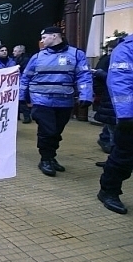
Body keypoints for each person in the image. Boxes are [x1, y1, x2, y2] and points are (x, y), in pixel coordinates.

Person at [20, 27, 93, 177]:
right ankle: (45, 159)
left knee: (56, 132)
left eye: (44, 37)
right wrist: (21, 97)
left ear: (54, 36)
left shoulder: (76, 54)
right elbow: (25, 77)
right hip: (41, 101)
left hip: (64, 102)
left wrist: (86, 95)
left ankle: (51, 157)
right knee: (48, 131)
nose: (42, 41)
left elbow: (84, 75)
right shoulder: (38, 57)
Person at [97, 34, 133, 214]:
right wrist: (126, 115)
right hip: (131, 119)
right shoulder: (126, 49)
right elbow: (120, 82)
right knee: (124, 157)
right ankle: (108, 190)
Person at [94, 40, 117, 153]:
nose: (110, 53)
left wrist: (100, 74)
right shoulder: (106, 59)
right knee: (111, 127)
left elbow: (116, 79)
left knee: (114, 129)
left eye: (112, 51)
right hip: (106, 96)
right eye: (109, 51)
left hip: (113, 98)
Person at [12, 45, 32, 123]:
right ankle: (18, 116)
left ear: (20, 52)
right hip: (19, 81)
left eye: (15, 51)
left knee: (21, 100)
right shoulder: (17, 59)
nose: (13, 52)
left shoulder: (25, 60)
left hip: (21, 81)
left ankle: (26, 117)